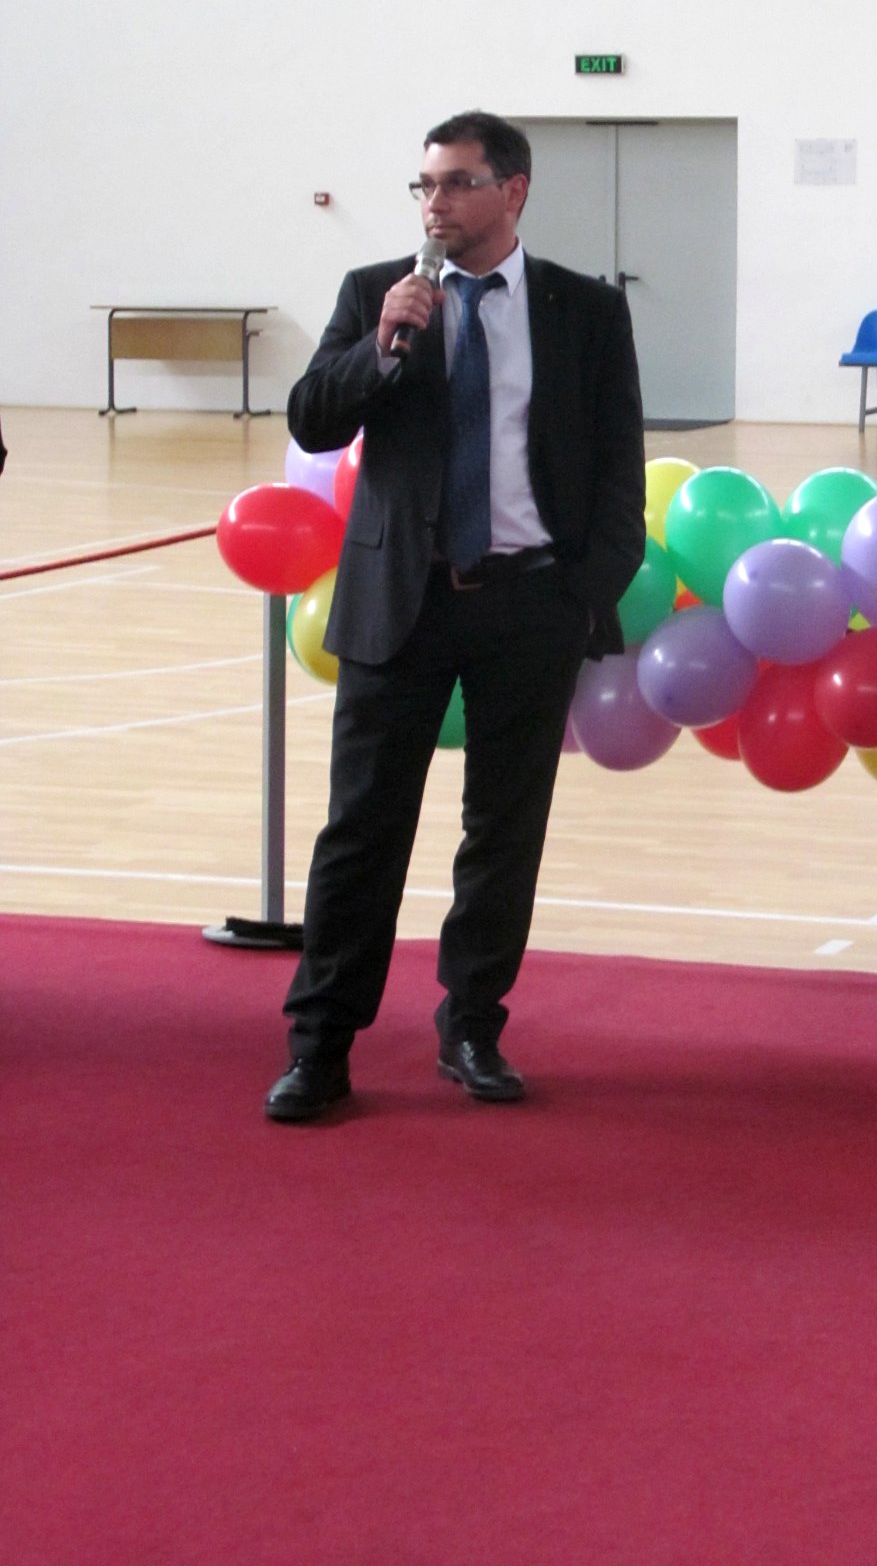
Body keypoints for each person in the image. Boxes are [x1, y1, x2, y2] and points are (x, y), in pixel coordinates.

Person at [265, 110, 646, 1122]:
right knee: (361, 833)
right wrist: (383, 346)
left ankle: (472, 1023)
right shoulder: (377, 294)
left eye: (457, 182)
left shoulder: (583, 311)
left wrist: (580, 595)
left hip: (529, 604)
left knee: (503, 831)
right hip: (402, 599)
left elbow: (619, 466)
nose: (434, 202)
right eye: (424, 184)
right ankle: (320, 1043)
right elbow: (313, 418)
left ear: (513, 191)